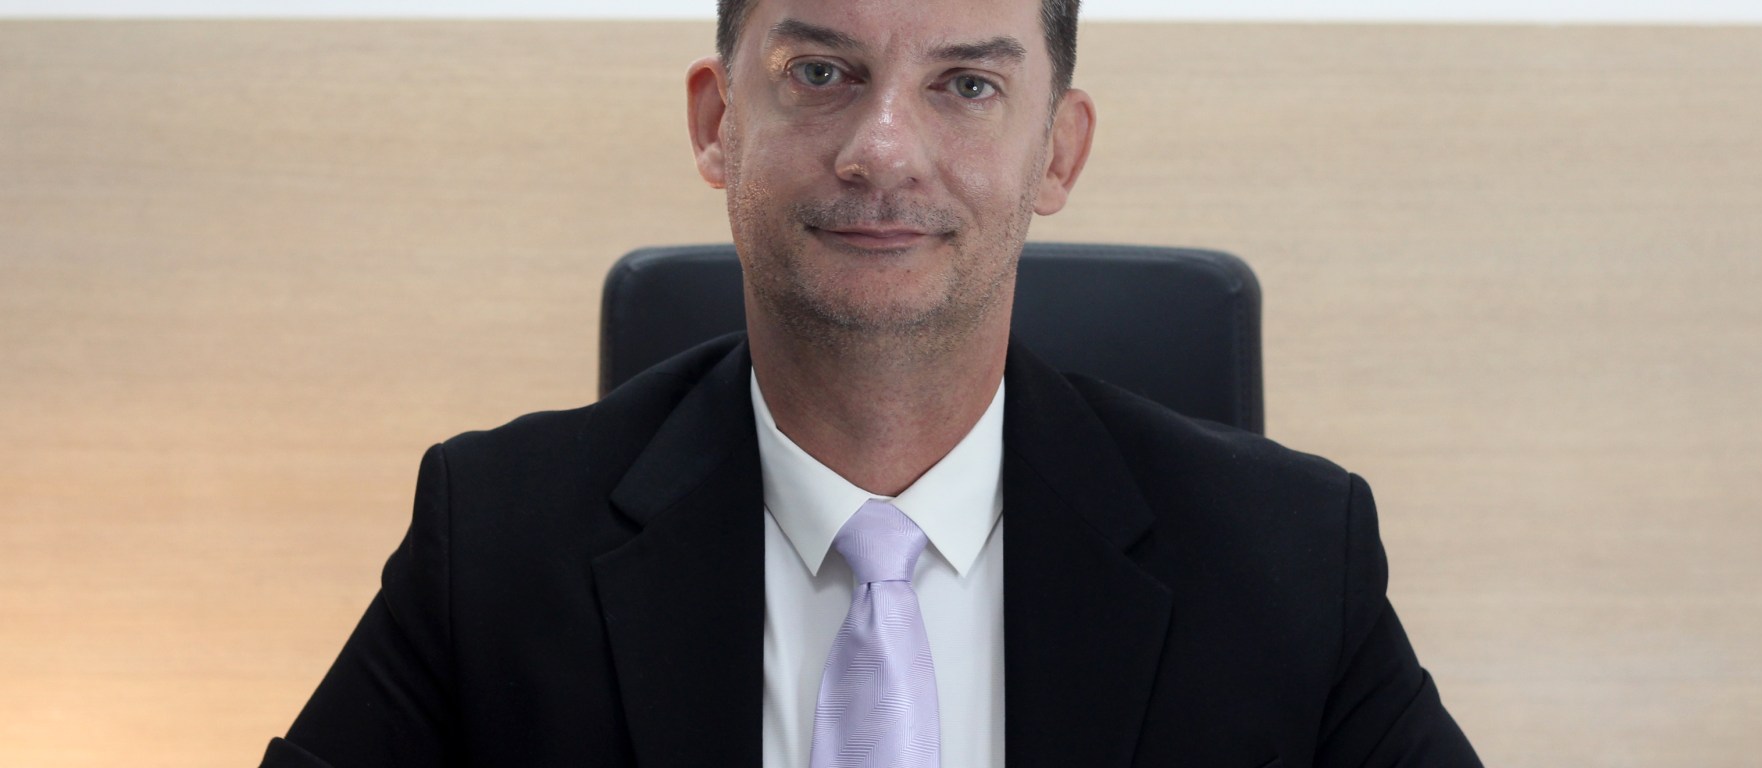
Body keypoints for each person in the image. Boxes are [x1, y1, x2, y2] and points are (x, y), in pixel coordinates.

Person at [262, 0, 1482, 765]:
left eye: (967, 85)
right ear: (716, 122)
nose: (882, 148)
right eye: (820, 72)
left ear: (1057, 152)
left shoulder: (1285, 557)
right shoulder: (495, 538)